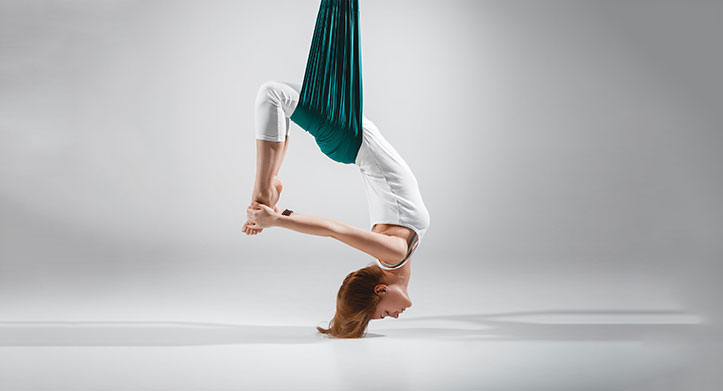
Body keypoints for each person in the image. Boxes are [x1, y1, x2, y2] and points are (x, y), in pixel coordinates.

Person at [243, 80, 430, 338]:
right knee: (277, 96)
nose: (394, 316)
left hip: (350, 138)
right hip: (353, 133)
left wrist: (278, 222)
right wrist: (288, 217)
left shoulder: (393, 254)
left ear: (380, 291)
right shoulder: (395, 254)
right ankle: (269, 185)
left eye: (384, 313)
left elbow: (335, 230)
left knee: (272, 94)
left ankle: (263, 191)